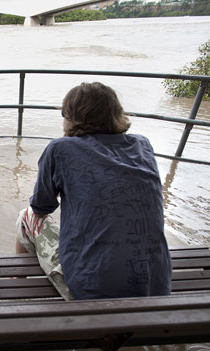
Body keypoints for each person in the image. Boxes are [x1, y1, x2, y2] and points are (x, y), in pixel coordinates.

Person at [16, 82, 172, 300]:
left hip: (92, 291)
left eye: (64, 113)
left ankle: (20, 294)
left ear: (72, 117)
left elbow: (41, 207)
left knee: (26, 218)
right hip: (156, 288)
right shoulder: (143, 145)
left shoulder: (60, 148)